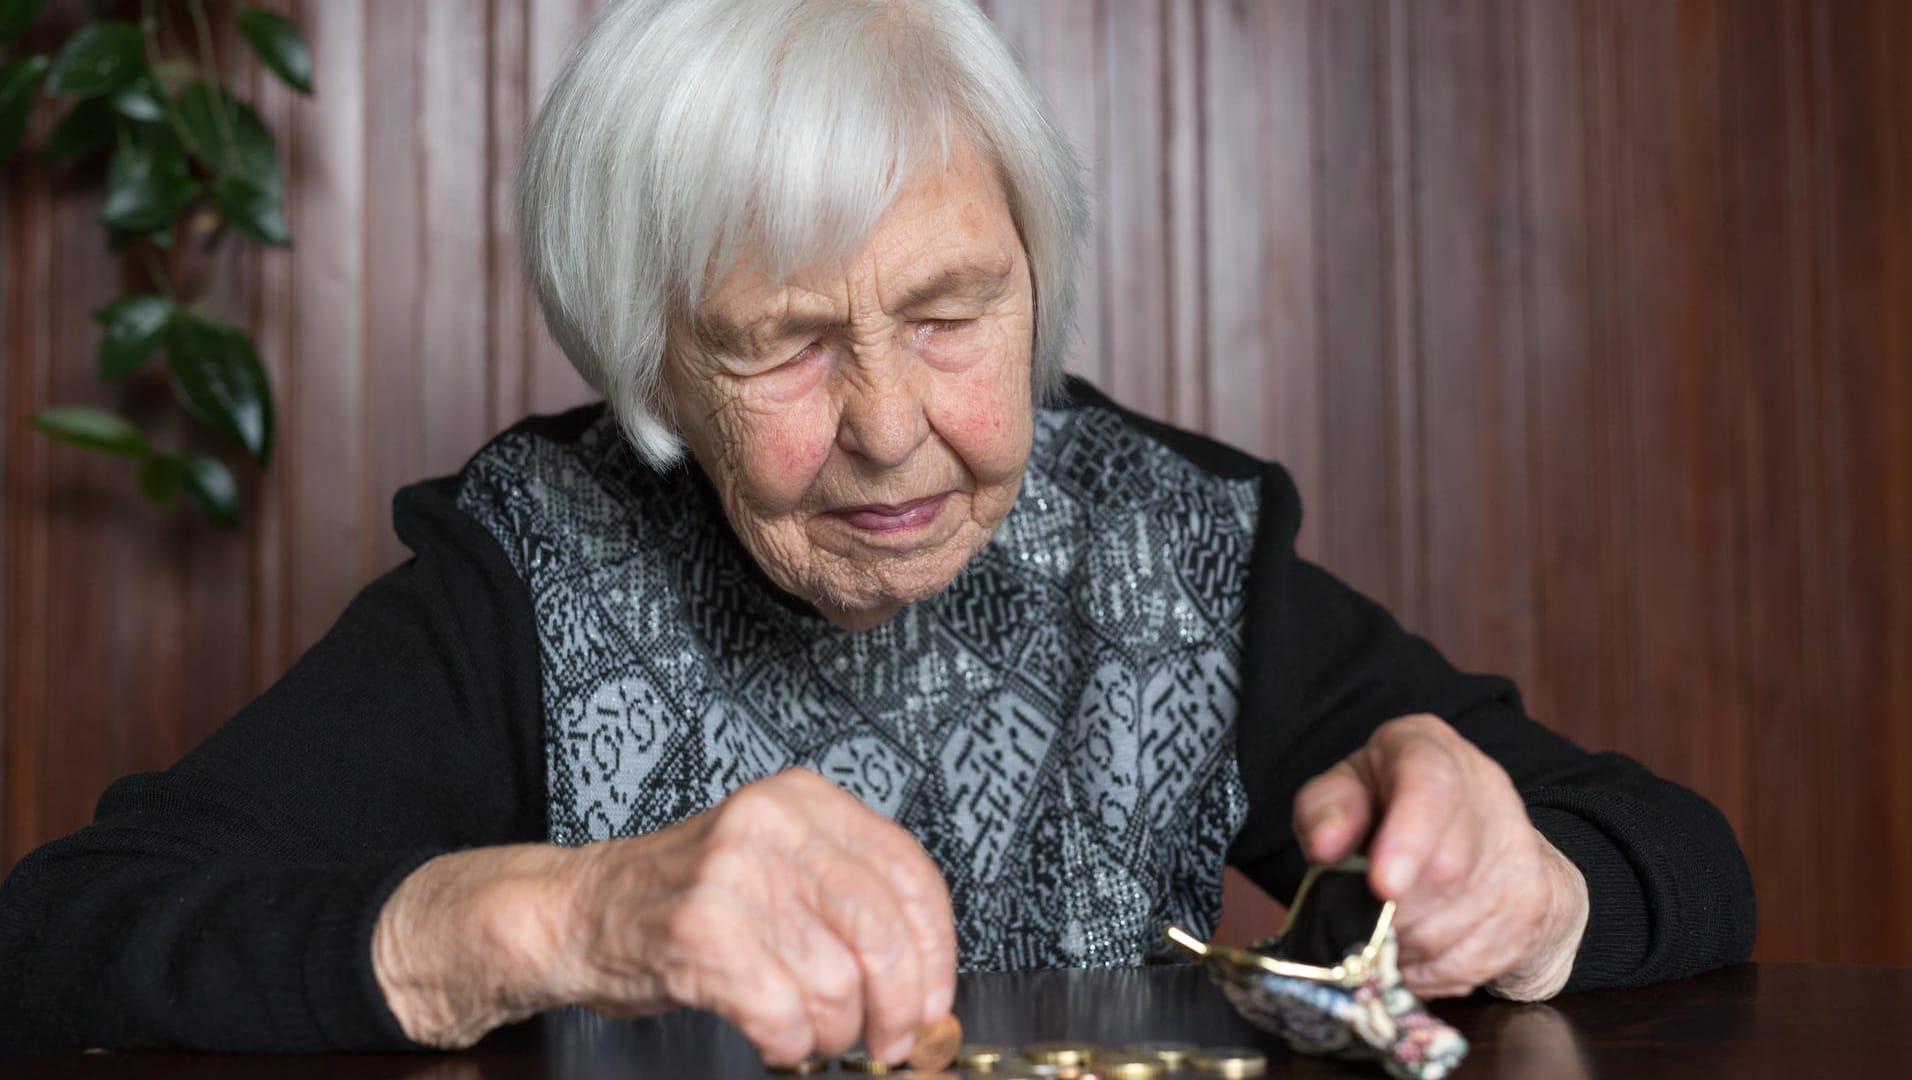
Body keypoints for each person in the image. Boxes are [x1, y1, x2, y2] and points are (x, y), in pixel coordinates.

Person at [0, 0, 1754, 1064]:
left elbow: (1681, 859)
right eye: (781, 342)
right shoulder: (524, 572)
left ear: (1033, 286)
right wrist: (562, 919)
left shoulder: (1173, 543)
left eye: (950, 313)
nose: (894, 427)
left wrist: (1524, 896)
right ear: (654, 362)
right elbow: (63, 939)